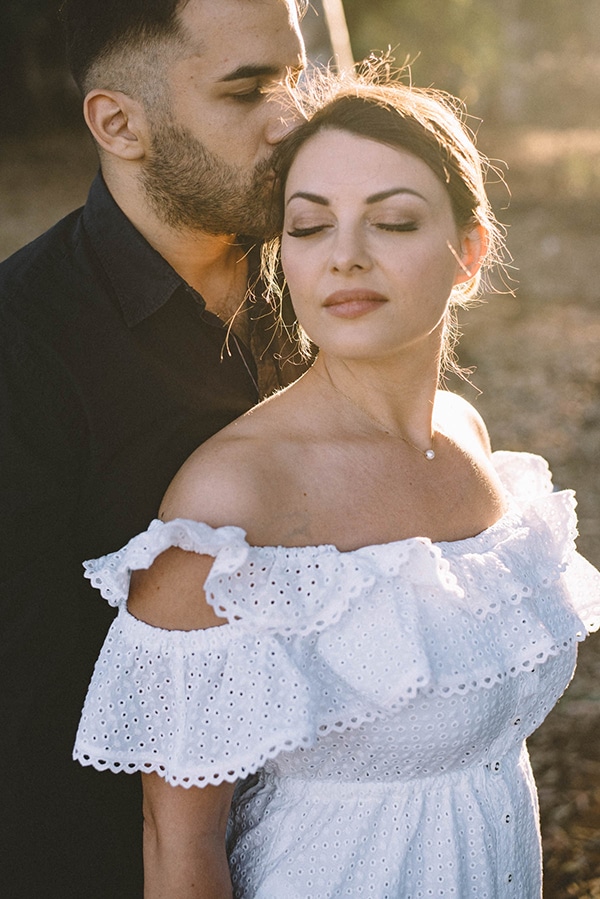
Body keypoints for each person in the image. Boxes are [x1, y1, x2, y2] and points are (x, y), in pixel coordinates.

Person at [74, 70, 600, 898]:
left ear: (469, 253)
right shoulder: (233, 500)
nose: (345, 255)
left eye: (393, 221)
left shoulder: (466, 435)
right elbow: (178, 842)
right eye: (311, 225)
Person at [0, 1, 306, 896]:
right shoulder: (23, 346)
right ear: (118, 123)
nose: (291, 120)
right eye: (247, 90)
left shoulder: (329, 278)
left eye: (295, 79)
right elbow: (26, 714)